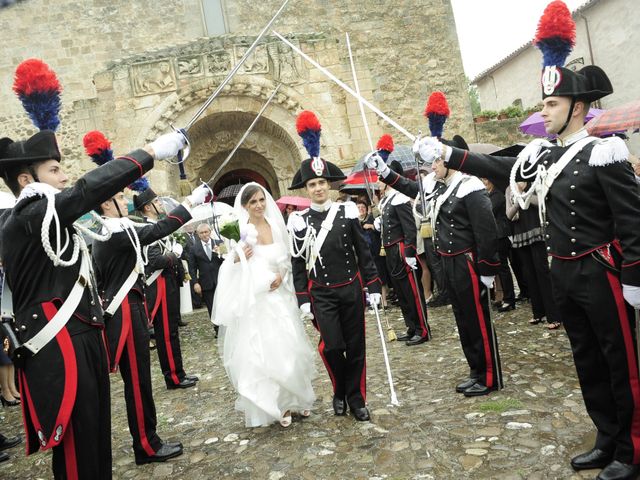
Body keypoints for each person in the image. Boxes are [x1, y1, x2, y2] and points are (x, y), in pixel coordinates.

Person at [413, 3, 640, 478]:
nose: (544, 110)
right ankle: (606, 437)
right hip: (565, 273)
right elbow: (499, 168)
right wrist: (452, 154)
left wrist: (635, 278)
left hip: (602, 272)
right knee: (587, 361)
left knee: (623, 363)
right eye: (544, 103)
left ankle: (632, 450)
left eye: (551, 104)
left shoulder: (606, 151)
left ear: (577, 107)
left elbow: (633, 221)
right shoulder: (543, 155)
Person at [0, 58, 186, 479]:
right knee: (76, 447)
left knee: (96, 436)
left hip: (82, 335)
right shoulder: (27, 213)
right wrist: (153, 151)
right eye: (55, 169)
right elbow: (87, 190)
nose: (65, 177)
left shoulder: (44, 214)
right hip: (58, 343)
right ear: (28, 181)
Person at [288, 111, 381, 421]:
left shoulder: (346, 213)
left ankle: (355, 398)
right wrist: (302, 298)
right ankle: (340, 387)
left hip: (351, 289)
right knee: (332, 346)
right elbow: (298, 264)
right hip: (322, 294)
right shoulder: (298, 221)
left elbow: (363, 253)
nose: (318, 188)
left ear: (328, 184)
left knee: (355, 347)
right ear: (305, 188)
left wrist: (373, 286)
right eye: (312, 183)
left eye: (322, 183)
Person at [212, 183, 316, 428]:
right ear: (245, 206)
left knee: (292, 347)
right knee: (269, 351)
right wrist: (238, 257)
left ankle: (296, 397)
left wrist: (281, 274)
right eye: (253, 203)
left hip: (282, 295)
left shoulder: (275, 226)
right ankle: (280, 404)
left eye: (261, 200)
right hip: (259, 301)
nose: (259, 205)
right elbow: (232, 266)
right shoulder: (242, 231)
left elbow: (287, 258)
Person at [131, 177, 198, 389]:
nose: (160, 205)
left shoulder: (155, 226)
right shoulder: (148, 229)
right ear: (148, 207)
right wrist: (174, 255)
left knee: (171, 332)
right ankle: (174, 377)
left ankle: (178, 372)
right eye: (157, 202)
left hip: (166, 283)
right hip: (158, 284)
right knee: (166, 334)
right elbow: (154, 260)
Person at [373, 135, 431, 346]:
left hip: (399, 249)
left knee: (411, 291)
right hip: (389, 251)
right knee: (401, 291)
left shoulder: (398, 198)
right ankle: (411, 326)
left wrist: (409, 251)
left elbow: (409, 227)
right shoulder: (386, 201)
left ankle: (422, 329)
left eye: (379, 178)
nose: (377, 181)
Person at [506, 184, 562, 329]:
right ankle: (538, 313)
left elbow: (543, 202)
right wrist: (518, 202)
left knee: (542, 273)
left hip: (537, 231)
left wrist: (525, 195)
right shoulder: (509, 188)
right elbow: (508, 214)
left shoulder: (535, 182)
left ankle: (554, 315)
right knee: (529, 274)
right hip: (520, 233)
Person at [482, 178, 516, 312]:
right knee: (500, 268)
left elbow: (488, 211)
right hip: (495, 235)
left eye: (485, 179)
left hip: (501, 234)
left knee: (503, 268)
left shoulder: (497, 195)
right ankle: (504, 296)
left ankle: (509, 299)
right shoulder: (489, 195)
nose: (484, 182)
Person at [188, 222, 224, 326]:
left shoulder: (219, 242)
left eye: (206, 232)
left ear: (210, 232)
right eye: (201, 233)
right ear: (198, 234)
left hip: (221, 279)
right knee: (212, 307)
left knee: (223, 304)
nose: (204, 234)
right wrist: (195, 283)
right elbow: (192, 268)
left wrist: (220, 253)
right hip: (206, 283)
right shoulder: (194, 248)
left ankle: (226, 327)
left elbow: (226, 259)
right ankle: (217, 328)